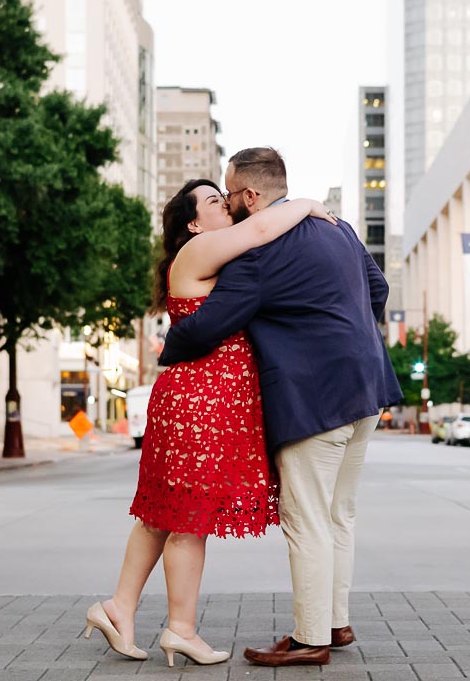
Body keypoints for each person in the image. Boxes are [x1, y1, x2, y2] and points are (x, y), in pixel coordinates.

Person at [159, 147, 403, 668]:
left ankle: (310, 637)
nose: (226, 201)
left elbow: (208, 325)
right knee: (340, 514)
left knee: (306, 517)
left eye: (228, 192)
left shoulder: (258, 255)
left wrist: (169, 348)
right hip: (369, 387)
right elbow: (377, 288)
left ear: (250, 196)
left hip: (315, 399)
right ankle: (335, 621)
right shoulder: (340, 230)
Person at [83, 178, 337, 668]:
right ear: (194, 222)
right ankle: (180, 630)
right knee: (187, 520)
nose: (228, 207)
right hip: (197, 404)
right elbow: (262, 227)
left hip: (197, 401)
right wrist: (306, 203)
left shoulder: (208, 256)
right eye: (217, 202)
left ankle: (118, 608)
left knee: (163, 513)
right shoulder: (200, 249)